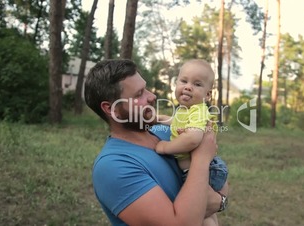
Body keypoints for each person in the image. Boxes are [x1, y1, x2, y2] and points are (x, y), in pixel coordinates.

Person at [84, 59, 228, 226]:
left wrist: (221, 201)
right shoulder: (112, 166)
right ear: (111, 109)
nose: (152, 96)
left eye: (145, 89)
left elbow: (220, 182)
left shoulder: (165, 132)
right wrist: (202, 158)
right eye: (139, 94)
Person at [155, 59, 228, 226]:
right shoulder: (185, 110)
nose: (188, 87)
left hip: (204, 171)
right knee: (206, 215)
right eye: (184, 81)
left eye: (197, 84)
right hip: (198, 168)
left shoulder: (198, 110)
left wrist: (166, 147)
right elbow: (177, 122)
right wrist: (159, 118)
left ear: (207, 95)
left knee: (201, 215)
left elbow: (192, 138)